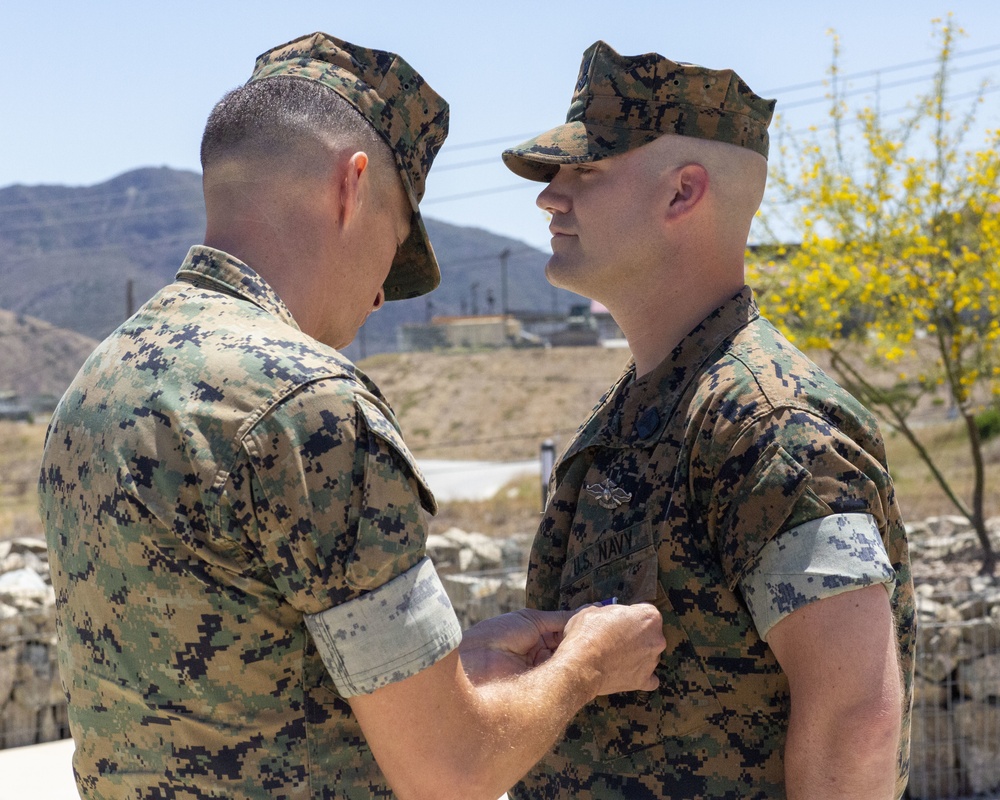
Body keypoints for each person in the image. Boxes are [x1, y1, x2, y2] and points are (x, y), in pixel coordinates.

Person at [37, 33, 666, 800]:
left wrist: (454, 668)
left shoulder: (101, 381)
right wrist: (587, 667)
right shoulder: (310, 403)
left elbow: (240, 684)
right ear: (353, 187)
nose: (377, 299)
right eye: (394, 247)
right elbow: (450, 770)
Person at [501, 41, 915, 800]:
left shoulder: (771, 424)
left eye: (583, 170)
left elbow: (857, 721)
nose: (550, 197)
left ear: (682, 194)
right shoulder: (651, 401)